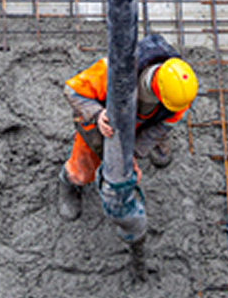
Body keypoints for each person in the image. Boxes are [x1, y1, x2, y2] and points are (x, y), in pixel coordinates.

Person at [57, 34, 198, 221]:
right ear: (158, 91)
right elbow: (72, 91)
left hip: (145, 120)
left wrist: (133, 152)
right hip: (103, 122)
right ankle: (70, 182)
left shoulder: (179, 96)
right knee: (83, 165)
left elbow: (164, 125)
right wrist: (97, 114)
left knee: (154, 134)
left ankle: (151, 143)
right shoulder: (113, 71)